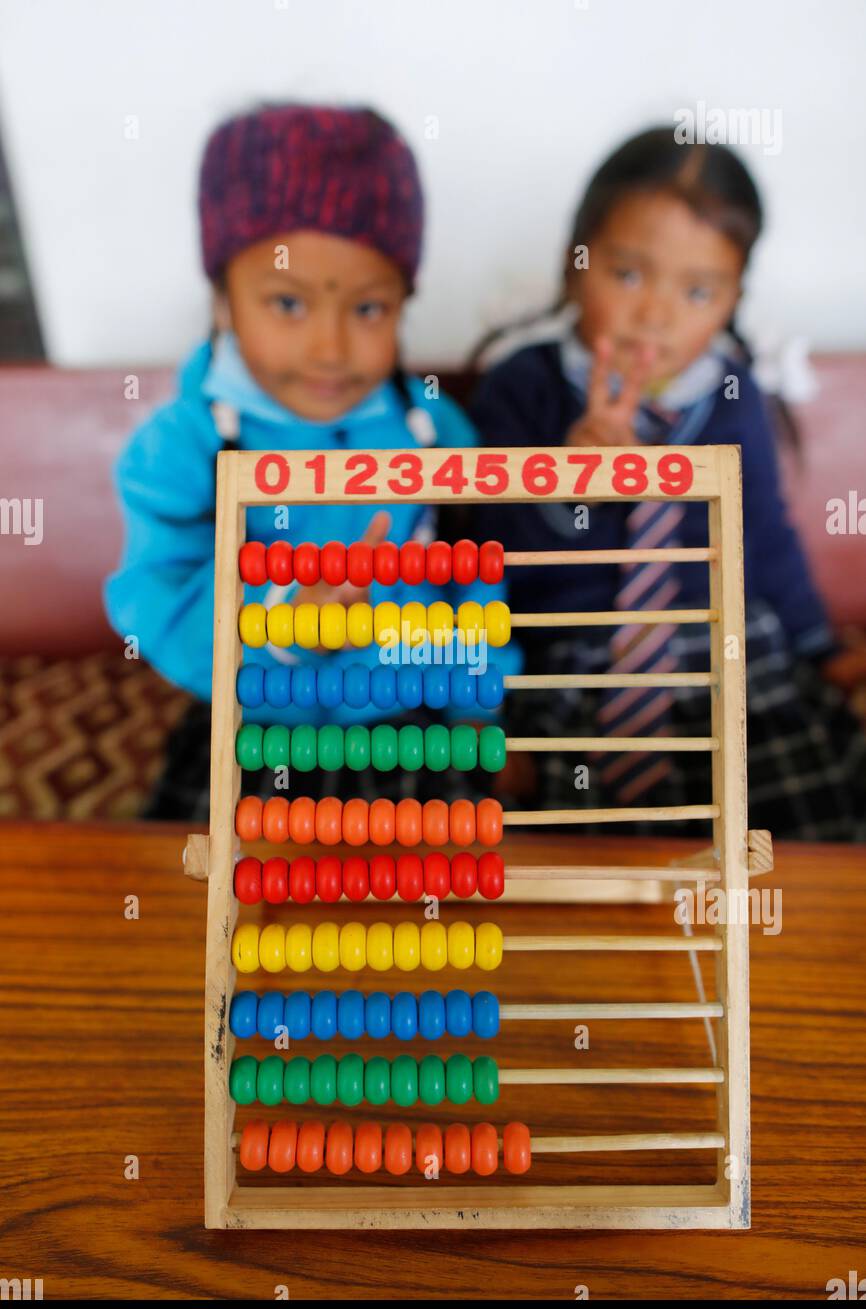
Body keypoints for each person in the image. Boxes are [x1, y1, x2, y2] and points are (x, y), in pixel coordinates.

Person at [105, 102, 508, 819]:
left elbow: (476, 582)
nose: (329, 349)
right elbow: (154, 598)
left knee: (443, 893)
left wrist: (479, 707)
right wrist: (280, 624)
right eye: (287, 303)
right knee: (185, 904)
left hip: (404, 722)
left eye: (368, 310)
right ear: (224, 302)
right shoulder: (181, 444)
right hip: (247, 718)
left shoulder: (437, 433)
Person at [468, 127, 866, 839]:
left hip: (734, 669)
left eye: (697, 290)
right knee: (571, 851)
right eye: (627, 275)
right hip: (569, 672)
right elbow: (481, 552)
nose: (656, 313)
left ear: (732, 298)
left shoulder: (734, 394)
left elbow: (763, 536)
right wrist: (569, 479)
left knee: (805, 826)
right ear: (573, 264)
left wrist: (821, 651)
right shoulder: (521, 387)